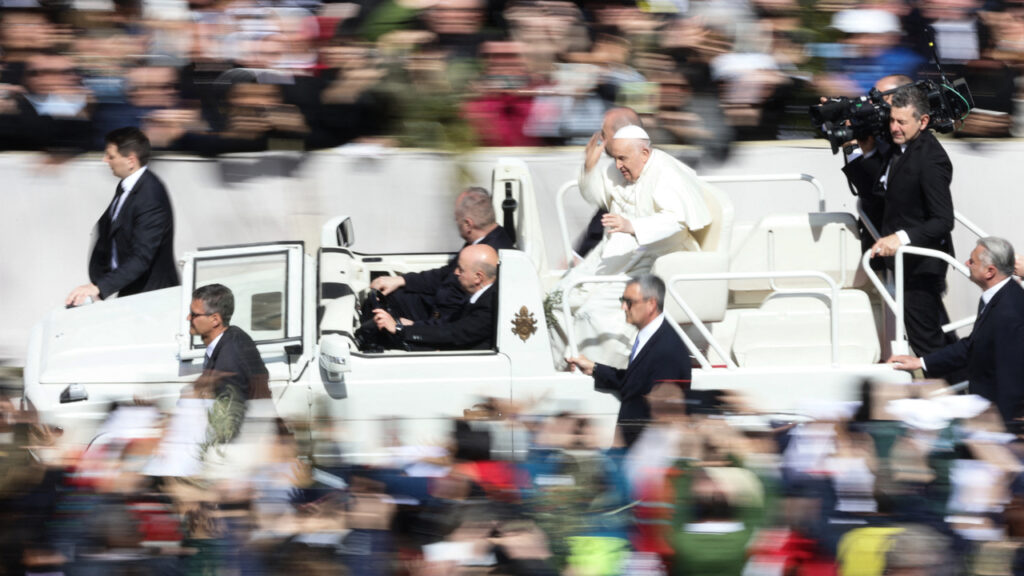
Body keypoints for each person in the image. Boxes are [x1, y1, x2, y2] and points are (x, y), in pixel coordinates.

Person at [552, 124, 712, 368]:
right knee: (560, 297)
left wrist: (633, 226)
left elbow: (677, 220)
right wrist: (590, 167)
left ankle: (597, 371)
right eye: (615, 159)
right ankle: (560, 364)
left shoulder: (666, 173)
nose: (618, 166)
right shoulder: (623, 169)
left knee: (593, 315)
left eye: (622, 158)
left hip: (657, 261)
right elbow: (598, 195)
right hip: (617, 252)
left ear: (644, 154)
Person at [844, 84, 956, 357]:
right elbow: (877, 189)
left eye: (901, 122)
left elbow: (943, 220)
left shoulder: (930, 159)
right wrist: (863, 150)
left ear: (924, 121)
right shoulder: (901, 146)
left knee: (926, 342)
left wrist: (901, 238)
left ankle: (955, 389)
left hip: (921, 265)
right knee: (931, 334)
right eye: (892, 120)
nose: (894, 127)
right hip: (905, 263)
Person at [889, 237, 1024, 425]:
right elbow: (971, 346)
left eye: (972, 261)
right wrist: (920, 362)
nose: (966, 264)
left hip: (1000, 421)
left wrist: (1004, 428)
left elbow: (1011, 374)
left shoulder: (1008, 310)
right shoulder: (998, 298)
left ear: (990, 271)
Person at [567, 274, 692, 448]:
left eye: (629, 301)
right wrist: (594, 368)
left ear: (651, 304)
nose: (623, 306)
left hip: (644, 455)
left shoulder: (667, 349)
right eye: (622, 300)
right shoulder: (650, 337)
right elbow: (635, 382)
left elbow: (663, 415)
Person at [65, 127, 179, 307]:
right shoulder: (128, 187)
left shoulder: (150, 196)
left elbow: (141, 257)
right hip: (133, 291)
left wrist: (99, 287)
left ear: (131, 160)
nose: (105, 160)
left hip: (152, 299)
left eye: (111, 156)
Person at [368, 187, 513, 324]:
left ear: (468, 224)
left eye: (457, 220)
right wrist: (401, 280)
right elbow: (446, 274)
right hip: (439, 304)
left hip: (446, 318)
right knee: (387, 296)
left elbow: (460, 310)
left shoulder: (488, 253)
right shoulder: (480, 241)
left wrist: (416, 327)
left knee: (379, 309)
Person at [368, 244, 499, 351]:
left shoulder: (489, 306)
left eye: (461, 269)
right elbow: (450, 324)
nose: (455, 272)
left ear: (478, 277)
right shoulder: (480, 294)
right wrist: (413, 325)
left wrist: (400, 329)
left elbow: (453, 333)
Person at [576, 106, 643, 258]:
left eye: (604, 134)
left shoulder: (660, 168)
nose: (601, 139)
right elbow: (594, 197)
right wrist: (589, 168)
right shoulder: (613, 169)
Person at [189, 283, 271, 403]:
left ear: (215, 320)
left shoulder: (228, 362)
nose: (188, 318)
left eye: (194, 314)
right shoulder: (234, 336)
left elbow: (227, 416)